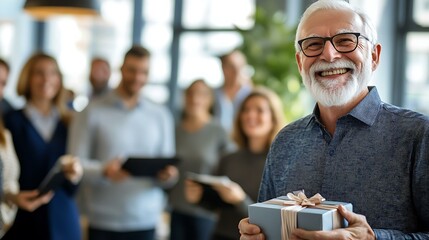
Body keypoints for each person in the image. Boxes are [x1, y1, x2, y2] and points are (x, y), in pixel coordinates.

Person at [238, 0, 429, 239]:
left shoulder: (417, 135)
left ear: (374, 56)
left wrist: (373, 238)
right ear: (300, 63)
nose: (329, 55)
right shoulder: (285, 141)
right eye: (314, 44)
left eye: (345, 40)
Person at [67, 45, 178, 240]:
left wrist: (167, 176)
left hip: (146, 220)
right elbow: (74, 164)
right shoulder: (91, 111)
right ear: (121, 69)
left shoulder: (161, 115)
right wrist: (103, 171)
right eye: (132, 70)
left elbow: (168, 172)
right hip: (103, 220)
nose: (137, 77)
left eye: (144, 72)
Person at [2, 53, 83, 240]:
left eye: (53, 73)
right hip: (24, 220)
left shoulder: (70, 122)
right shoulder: (10, 121)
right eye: (39, 73)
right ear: (27, 78)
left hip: (64, 221)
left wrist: (75, 175)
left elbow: (74, 186)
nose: (47, 79)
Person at [187, 87, 285, 240]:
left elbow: (279, 220)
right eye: (246, 110)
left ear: (273, 119)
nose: (250, 115)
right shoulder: (228, 158)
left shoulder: (282, 164)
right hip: (220, 235)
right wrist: (198, 199)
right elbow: (214, 206)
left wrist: (240, 200)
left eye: (259, 110)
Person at [169, 79, 235, 240]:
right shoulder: (175, 130)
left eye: (201, 94)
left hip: (205, 212)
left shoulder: (218, 131)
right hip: (176, 208)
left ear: (209, 99)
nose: (194, 99)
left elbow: (232, 167)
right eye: (190, 93)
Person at [214, 49, 253, 133]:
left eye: (240, 66)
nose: (236, 71)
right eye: (231, 66)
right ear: (223, 68)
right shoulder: (213, 94)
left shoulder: (250, 95)